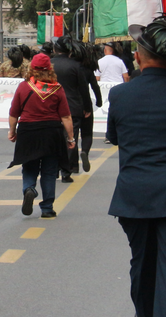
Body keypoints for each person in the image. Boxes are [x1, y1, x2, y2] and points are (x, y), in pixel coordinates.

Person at [108, 13, 166, 317]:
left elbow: (114, 137)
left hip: (133, 192)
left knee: (142, 262)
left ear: (138, 57)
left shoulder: (121, 95)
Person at [8, 52, 75, 219]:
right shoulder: (57, 89)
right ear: (49, 69)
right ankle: (47, 208)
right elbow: (66, 116)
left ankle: (29, 189)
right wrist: (71, 137)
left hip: (28, 131)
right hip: (51, 133)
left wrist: (12, 131)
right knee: (49, 171)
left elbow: (14, 113)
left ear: (32, 68)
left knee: (29, 166)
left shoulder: (23, 87)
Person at [50, 35, 92, 182]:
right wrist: (87, 107)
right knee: (70, 138)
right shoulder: (75, 66)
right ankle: (66, 171)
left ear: (55, 49)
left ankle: (53, 169)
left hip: (51, 106)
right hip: (73, 106)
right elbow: (83, 89)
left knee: (53, 139)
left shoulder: (49, 64)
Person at [74, 42, 102, 171]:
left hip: (72, 103)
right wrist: (98, 102)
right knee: (86, 133)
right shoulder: (88, 69)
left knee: (71, 135)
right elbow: (94, 87)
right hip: (86, 104)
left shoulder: (72, 67)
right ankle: (85, 151)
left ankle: (72, 164)